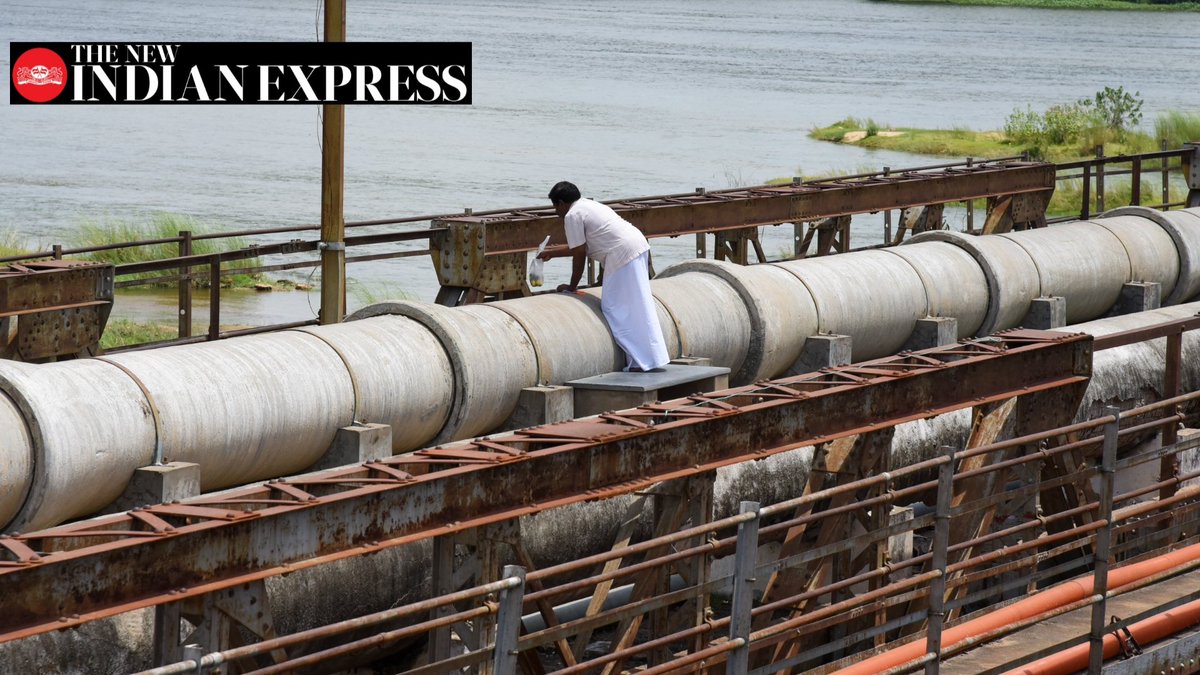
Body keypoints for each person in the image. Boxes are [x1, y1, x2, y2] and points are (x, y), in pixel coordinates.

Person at [538, 181, 670, 373]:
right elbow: (582, 246)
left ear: (561, 203)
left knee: (615, 307)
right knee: (638, 304)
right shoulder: (589, 205)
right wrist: (552, 252)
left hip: (622, 254)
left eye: (555, 207)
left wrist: (571, 287)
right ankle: (651, 358)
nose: (556, 212)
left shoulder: (572, 215)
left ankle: (638, 361)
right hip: (636, 246)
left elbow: (580, 254)